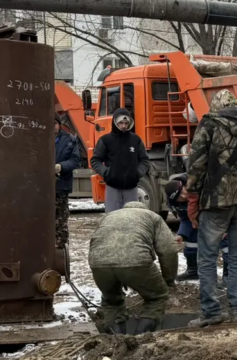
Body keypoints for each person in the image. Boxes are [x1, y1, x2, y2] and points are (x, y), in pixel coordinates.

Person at [186, 89, 237, 327]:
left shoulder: (209, 124)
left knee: (208, 257)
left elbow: (196, 164)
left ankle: (211, 312)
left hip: (217, 201)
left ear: (216, 107)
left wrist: (193, 197)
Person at [88, 201, 179, 334]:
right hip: (137, 260)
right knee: (157, 298)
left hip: (98, 262)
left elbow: (95, 240)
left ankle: (117, 343)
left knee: (112, 302)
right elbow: (169, 250)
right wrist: (169, 280)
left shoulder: (108, 216)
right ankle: (139, 339)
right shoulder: (153, 217)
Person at [164, 173, 230, 284]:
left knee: (226, 245)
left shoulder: (200, 186)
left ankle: (228, 276)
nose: (183, 197)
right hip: (198, 219)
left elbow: (221, 208)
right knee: (190, 241)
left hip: (217, 215)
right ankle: (193, 270)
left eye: (183, 192)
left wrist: (223, 228)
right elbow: (185, 219)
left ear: (185, 186)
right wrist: (181, 234)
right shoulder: (175, 203)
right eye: (179, 198)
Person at [90, 108, 150, 213]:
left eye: (126, 123)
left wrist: (138, 173)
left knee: (131, 218)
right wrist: (106, 173)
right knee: (113, 218)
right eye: (121, 123)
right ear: (115, 122)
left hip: (131, 187)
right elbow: (95, 160)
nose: (123, 126)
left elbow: (144, 160)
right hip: (112, 187)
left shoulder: (136, 140)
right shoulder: (105, 140)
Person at [54, 112, 82, 250]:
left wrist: (61, 166)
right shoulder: (38, 138)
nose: (52, 127)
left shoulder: (69, 140)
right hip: (40, 189)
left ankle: (61, 252)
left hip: (61, 186)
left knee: (61, 222)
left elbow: (75, 160)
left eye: (55, 124)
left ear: (59, 125)